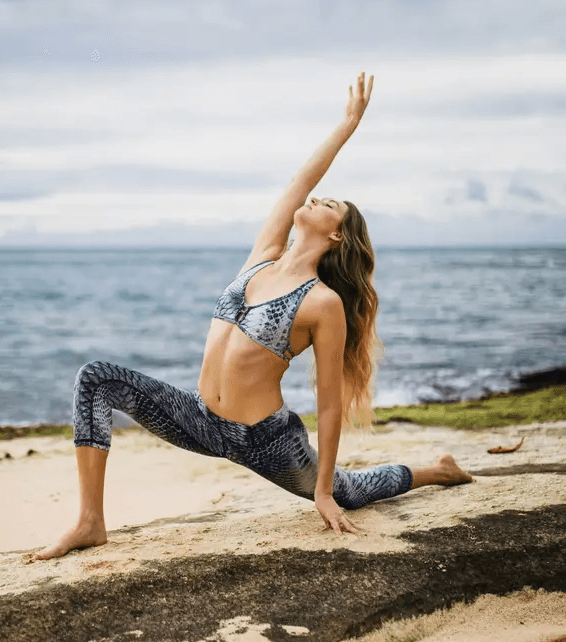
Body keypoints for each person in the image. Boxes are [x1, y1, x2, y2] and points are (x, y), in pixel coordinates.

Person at [33, 71, 472, 561]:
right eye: (321, 195)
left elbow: (328, 403)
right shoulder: (262, 256)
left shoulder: (322, 302)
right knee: (95, 379)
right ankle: (90, 521)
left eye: (330, 204)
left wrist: (321, 491)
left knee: (347, 490)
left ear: (337, 237)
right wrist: (346, 127)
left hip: (264, 439)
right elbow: (301, 179)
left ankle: (438, 471)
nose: (315, 197)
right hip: (199, 418)